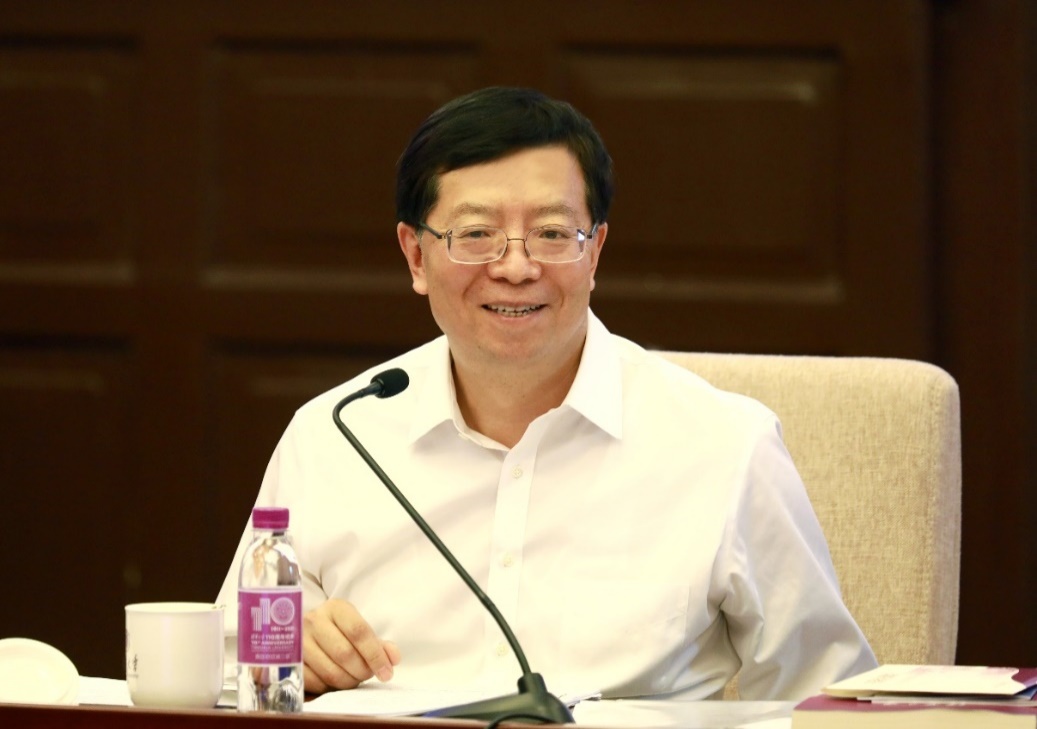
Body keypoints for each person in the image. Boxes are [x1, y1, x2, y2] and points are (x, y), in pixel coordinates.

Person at [216, 86, 876, 701]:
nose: (515, 266)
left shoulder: (724, 446)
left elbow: (825, 699)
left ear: (595, 253)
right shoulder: (334, 435)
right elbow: (223, 675)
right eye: (475, 234)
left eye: (553, 234)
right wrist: (283, 657)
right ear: (415, 256)